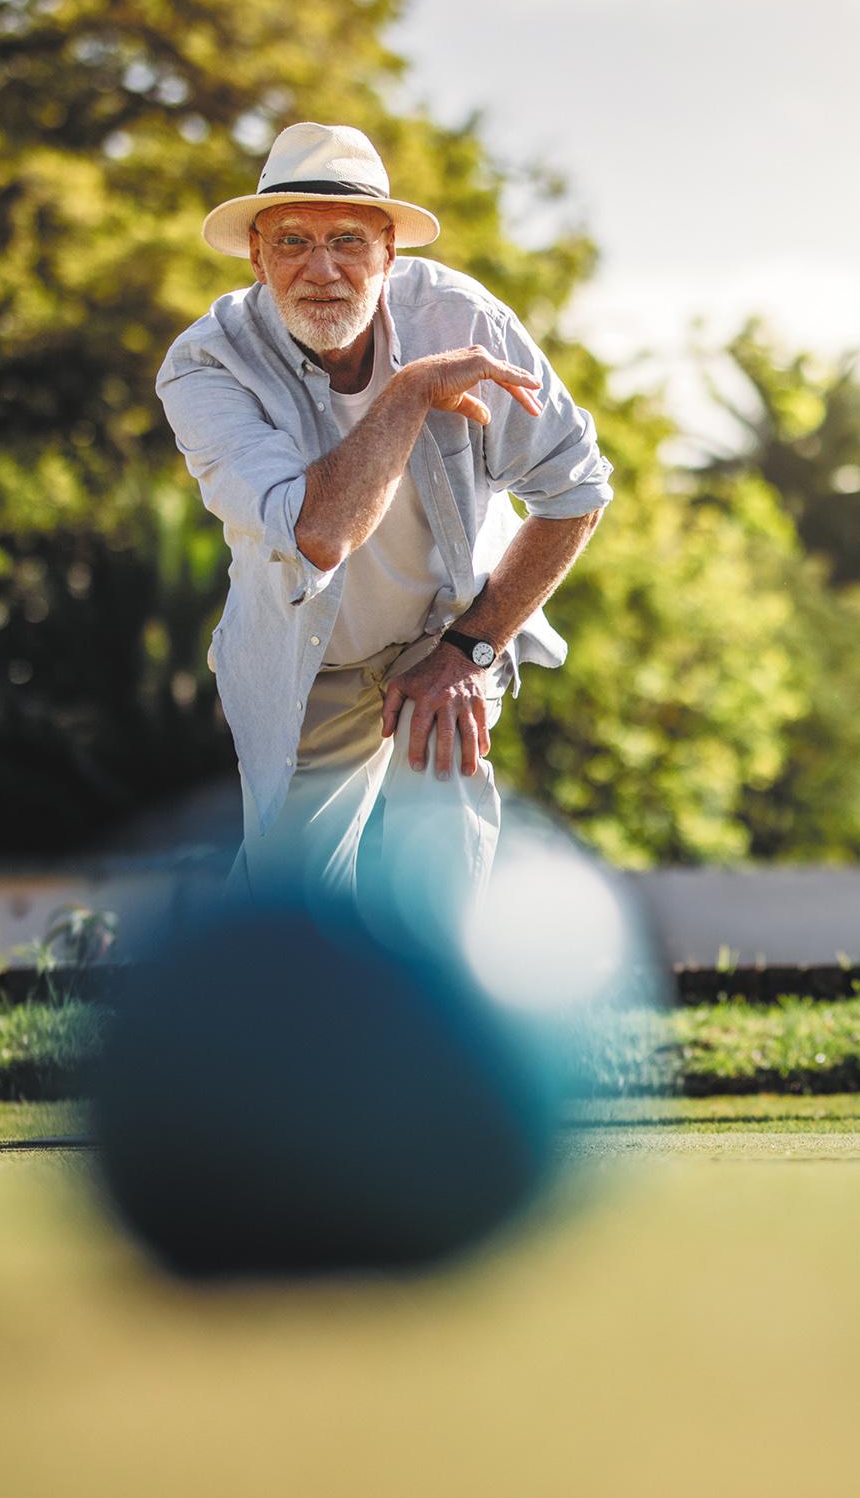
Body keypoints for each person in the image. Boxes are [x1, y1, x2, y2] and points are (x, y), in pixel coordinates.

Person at [157, 121, 612, 910]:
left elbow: (577, 489)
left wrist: (470, 649)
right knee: (289, 903)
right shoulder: (205, 366)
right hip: (307, 651)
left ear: (390, 253)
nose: (321, 269)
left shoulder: (461, 317)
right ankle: (267, 1030)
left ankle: (435, 1027)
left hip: (445, 632)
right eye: (292, 241)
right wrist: (412, 391)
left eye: (348, 241)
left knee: (438, 871)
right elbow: (319, 537)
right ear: (256, 257)